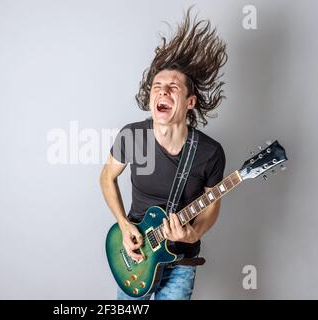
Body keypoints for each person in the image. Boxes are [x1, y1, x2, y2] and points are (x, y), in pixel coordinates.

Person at [100, 8, 228, 300]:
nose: (162, 92)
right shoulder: (132, 136)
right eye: (157, 87)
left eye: (172, 88)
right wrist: (123, 222)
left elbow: (211, 206)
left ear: (190, 101)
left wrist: (193, 234)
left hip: (180, 260)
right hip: (136, 253)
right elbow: (107, 177)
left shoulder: (210, 153)